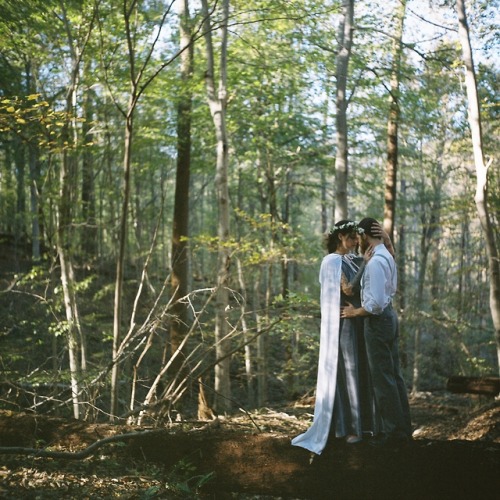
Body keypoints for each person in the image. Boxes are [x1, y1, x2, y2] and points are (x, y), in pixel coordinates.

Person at [291, 220, 378, 456]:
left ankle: (366, 426)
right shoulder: (331, 262)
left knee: (361, 370)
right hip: (344, 324)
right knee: (348, 372)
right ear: (340, 237)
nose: (354, 242)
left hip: (358, 320)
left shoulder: (352, 258)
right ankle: (348, 428)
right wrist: (365, 265)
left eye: (355, 238)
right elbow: (348, 290)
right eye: (350, 237)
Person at [341, 217, 412, 447]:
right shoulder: (387, 256)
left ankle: (394, 434)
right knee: (394, 375)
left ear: (364, 235)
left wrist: (354, 312)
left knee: (383, 379)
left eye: (359, 235)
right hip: (390, 318)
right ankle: (402, 429)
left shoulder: (374, 263)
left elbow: (375, 305)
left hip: (378, 322)